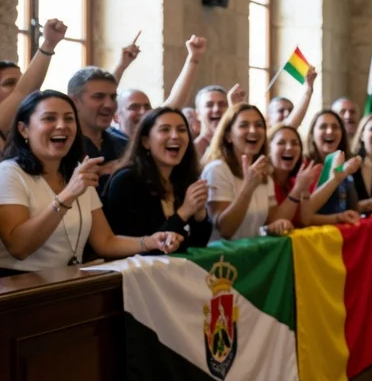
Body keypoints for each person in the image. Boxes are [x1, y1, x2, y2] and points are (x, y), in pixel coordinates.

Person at [0, 91, 181, 273]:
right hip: (20, 285)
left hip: (70, 282)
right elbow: (19, 248)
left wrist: (150, 241)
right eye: (49, 119)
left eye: (69, 119)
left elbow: (105, 241)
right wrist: (68, 194)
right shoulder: (9, 173)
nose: (62, 126)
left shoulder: (77, 172)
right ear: (24, 129)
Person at [103, 108, 213, 252]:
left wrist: (199, 215)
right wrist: (184, 212)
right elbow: (148, 249)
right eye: (165, 130)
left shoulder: (183, 179)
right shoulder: (127, 181)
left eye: (181, 130)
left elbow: (197, 245)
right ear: (145, 142)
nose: (175, 136)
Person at [200, 104, 298, 241]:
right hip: (221, 259)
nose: (253, 130)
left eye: (258, 125)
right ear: (228, 136)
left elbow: (270, 220)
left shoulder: (264, 174)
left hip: (249, 258)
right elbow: (225, 230)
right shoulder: (217, 170)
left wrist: (278, 225)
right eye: (244, 125)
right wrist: (248, 187)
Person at [67, 68, 127, 188]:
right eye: (98, 97)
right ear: (74, 101)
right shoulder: (64, 147)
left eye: (113, 97)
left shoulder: (125, 145)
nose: (109, 105)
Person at [303, 109, 362, 220]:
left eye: (335, 127)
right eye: (323, 127)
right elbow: (304, 218)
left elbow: (354, 209)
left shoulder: (344, 164)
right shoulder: (305, 167)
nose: (330, 131)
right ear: (312, 134)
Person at [192, 85, 230, 158]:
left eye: (222, 104)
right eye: (209, 105)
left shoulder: (237, 148)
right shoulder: (191, 152)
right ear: (198, 114)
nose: (216, 109)